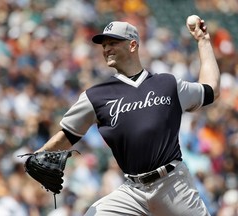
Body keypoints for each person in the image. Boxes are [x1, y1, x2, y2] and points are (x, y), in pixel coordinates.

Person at [35, 18, 220, 215]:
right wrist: (39, 156)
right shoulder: (95, 96)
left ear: (132, 45)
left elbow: (211, 89)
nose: (106, 49)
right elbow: (68, 135)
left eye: (113, 43)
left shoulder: (167, 84)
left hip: (172, 185)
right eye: (104, 45)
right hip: (133, 191)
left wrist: (203, 41)